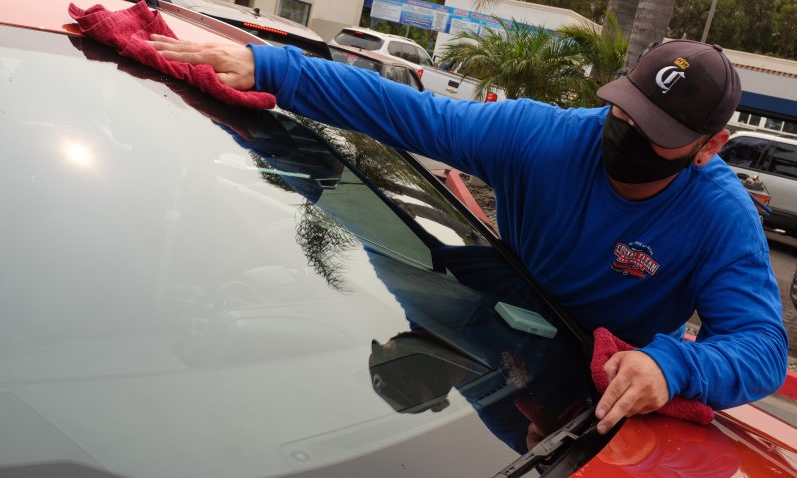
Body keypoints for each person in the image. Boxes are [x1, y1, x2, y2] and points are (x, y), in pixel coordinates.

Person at [147, 35, 788, 434]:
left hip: (602, 403)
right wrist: (269, 67)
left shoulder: (719, 216)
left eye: (656, 134)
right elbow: (404, 112)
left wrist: (672, 366)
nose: (623, 134)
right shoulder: (543, 139)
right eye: (625, 110)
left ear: (709, 148)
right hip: (499, 344)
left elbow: (760, 345)